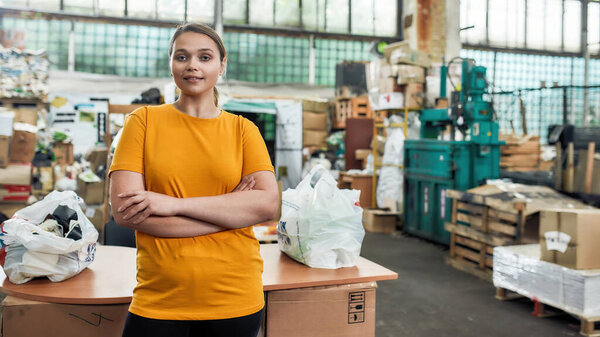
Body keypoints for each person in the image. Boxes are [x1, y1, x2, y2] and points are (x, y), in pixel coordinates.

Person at [109, 22, 279, 337]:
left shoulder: (243, 131)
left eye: (204, 57)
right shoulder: (142, 123)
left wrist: (171, 205)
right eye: (182, 57)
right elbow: (125, 213)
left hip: (235, 295)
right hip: (159, 297)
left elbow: (267, 205)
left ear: (221, 65)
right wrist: (232, 212)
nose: (192, 66)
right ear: (170, 63)